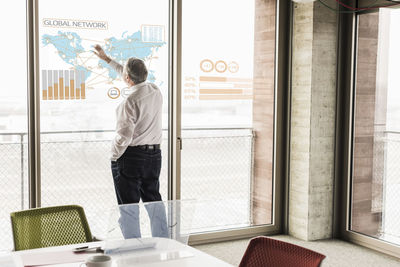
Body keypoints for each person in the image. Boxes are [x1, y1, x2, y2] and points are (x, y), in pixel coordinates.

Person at [93, 44, 168, 238]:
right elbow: (128, 74)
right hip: (154, 155)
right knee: (154, 202)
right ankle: (164, 243)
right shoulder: (154, 90)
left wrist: (114, 156)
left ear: (127, 79)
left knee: (129, 207)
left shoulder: (129, 102)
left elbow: (124, 136)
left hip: (132, 157)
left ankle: (134, 250)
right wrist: (107, 59)